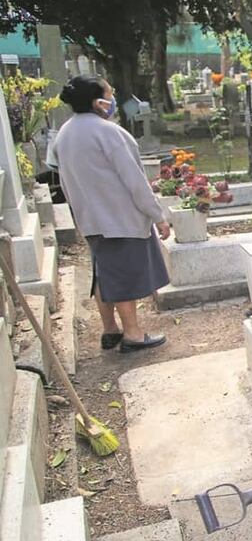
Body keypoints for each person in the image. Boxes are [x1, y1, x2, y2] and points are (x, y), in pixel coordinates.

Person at [53, 75, 169, 353]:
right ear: (99, 102)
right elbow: (135, 181)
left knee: (103, 274)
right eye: (110, 91)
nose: (114, 94)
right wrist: (158, 215)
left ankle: (110, 329)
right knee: (122, 276)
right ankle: (133, 335)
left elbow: (64, 182)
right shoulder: (109, 133)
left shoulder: (64, 134)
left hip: (90, 218)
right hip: (119, 217)